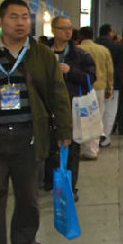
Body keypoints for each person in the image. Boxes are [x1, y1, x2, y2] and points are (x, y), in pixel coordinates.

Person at [0, 0, 71, 244]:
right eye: (13, 17)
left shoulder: (42, 55)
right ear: (0, 21)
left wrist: (64, 129)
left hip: (28, 139)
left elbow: (58, 93)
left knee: (28, 198)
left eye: (25, 17)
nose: (20, 22)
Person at [43, 16, 96, 200]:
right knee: (49, 148)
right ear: (53, 30)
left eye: (70, 28)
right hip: (46, 108)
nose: (68, 32)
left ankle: (70, 187)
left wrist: (70, 71)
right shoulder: (42, 53)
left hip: (71, 109)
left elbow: (91, 78)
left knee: (72, 149)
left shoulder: (80, 55)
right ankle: (49, 182)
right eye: (63, 28)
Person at [76, 26, 113, 159]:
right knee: (97, 119)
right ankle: (93, 150)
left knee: (82, 118)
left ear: (80, 36)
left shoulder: (77, 49)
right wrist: (109, 88)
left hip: (82, 88)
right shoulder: (103, 50)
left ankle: (83, 149)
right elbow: (109, 71)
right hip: (99, 88)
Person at [96, 24, 119, 147]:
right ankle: (105, 137)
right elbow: (111, 69)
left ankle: (94, 137)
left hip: (93, 84)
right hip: (109, 83)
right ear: (110, 32)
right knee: (109, 111)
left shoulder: (94, 44)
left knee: (95, 112)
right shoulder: (115, 46)